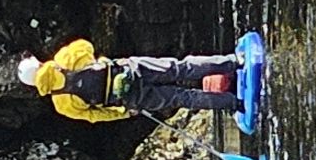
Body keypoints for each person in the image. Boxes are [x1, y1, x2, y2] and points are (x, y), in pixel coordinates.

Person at [17, 41, 252, 127]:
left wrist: (126, 113)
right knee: (182, 68)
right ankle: (234, 61)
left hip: (129, 98)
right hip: (132, 69)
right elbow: (86, 46)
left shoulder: (61, 104)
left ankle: (234, 103)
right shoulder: (62, 58)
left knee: (183, 98)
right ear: (38, 64)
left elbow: (95, 116)